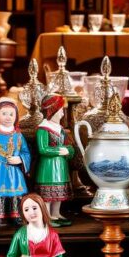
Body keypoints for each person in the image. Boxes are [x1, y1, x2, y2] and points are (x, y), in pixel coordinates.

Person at [0, 97, 31, 233]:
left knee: (15, 193)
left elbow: (26, 153)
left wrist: (20, 159)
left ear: (16, 116)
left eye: (11, 114)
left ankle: (16, 216)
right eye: (4, 114)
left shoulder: (19, 136)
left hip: (14, 173)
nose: (8, 117)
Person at [35, 94, 74, 226]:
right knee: (48, 195)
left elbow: (69, 146)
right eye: (61, 110)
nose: (63, 113)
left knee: (58, 192)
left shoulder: (60, 129)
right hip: (48, 168)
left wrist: (69, 150)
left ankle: (56, 214)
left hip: (61, 167)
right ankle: (47, 216)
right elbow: (42, 149)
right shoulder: (43, 128)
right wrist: (59, 150)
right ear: (53, 110)